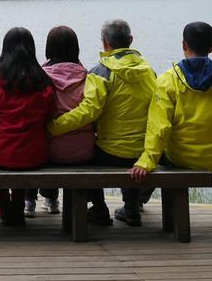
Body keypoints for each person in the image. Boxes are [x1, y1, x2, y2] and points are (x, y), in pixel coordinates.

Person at [129, 22, 212, 226]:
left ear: (184, 45)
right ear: (211, 47)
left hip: (179, 157)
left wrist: (146, 160)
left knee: (160, 156)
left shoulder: (167, 81)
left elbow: (159, 128)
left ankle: (137, 201)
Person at [48, 19, 157, 226]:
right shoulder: (149, 71)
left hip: (111, 153)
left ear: (105, 43)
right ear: (130, 40)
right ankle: (132, 208)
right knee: (129, 149)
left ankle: (100, 209)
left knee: (85, 153)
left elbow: (88, 111)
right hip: (144, 151)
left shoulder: (101, 72)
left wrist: (54, 127)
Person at [0, 27, 55, 226]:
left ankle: (5, 209)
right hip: (35, 154)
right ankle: (16, 209)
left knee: (2, 153)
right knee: (22, 153)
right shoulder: (43, 82)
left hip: (2, 152)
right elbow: (48, 114)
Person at [31, 25, 95, 216]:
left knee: (36, 138)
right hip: (84, 151)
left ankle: (42, 199)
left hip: (48, 151)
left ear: (48, 48)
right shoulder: (88, 77)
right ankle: (55, 201)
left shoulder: (40, 76)